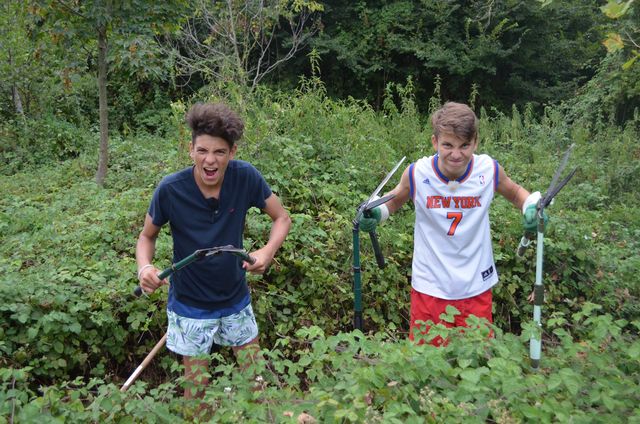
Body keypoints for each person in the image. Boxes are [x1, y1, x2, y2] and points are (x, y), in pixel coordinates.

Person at [136, 102, 291, 397]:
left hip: (235, 297)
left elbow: (282, 218)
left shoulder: (245, 177)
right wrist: (145, 267)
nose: (210, 160)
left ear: (232, 152)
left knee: (256, 380)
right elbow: (146, 237)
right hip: (189, 303)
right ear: (191, 150)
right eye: (203, 151)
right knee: (196, 390)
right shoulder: (170, 189)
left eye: (220, 152)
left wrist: (268, 251)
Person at [360, 102, 543, 345]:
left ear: (475, 142)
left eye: (464, 145)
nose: (456, 154)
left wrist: (531, 207)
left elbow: (517, 193)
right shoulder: (418, 173)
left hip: (476, 286)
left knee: (477, 359)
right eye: (448, 145)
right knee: (427, 361)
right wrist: (375, 212)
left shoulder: (488, 170)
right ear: (435, 142)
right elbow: (392, 201)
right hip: (430, 287)